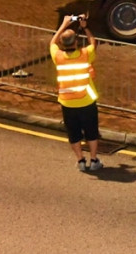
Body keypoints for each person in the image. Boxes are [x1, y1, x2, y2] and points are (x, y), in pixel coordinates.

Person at [50, 15, 102, 172]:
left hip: (67, 102)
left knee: (74, 133)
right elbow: (93, 42)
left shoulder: (57, 56)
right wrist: (85, 27)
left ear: (62, 44)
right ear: (76, 42)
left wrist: (63, 25)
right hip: (86, 101)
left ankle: (80, 161)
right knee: (91, 132)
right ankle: (94, 160)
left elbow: (52, 42)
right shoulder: (85, 54)